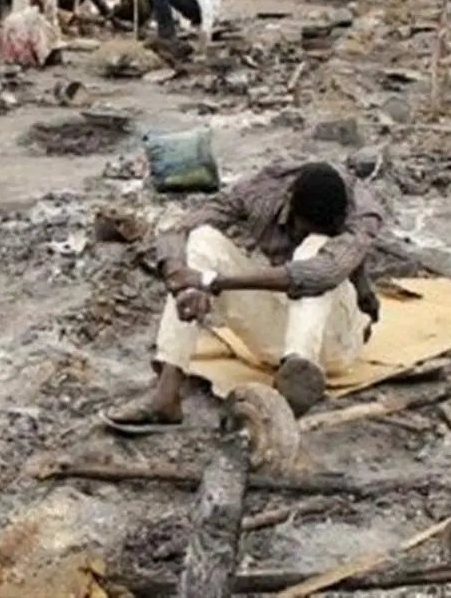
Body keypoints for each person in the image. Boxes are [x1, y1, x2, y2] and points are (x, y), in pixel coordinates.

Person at [103, 162, 383, 427]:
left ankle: (298, 374)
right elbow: (180, 228)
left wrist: (213, 281)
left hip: (335, 341)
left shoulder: (362, 213)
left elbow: (323, 272)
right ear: (288, 205)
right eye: (299, 227)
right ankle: (166, 396)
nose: (298, 236)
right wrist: (184, 280)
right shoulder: (263, 189)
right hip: (276, 336)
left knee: (315, 249)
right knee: (201, 239)